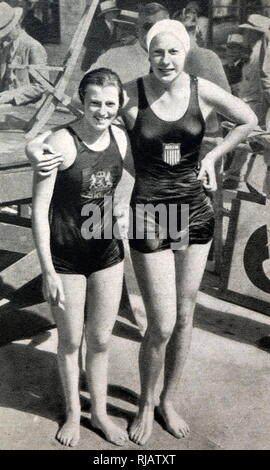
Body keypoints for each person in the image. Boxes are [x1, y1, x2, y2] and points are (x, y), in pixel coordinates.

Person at [26, 20, 257, 446]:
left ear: (184, 52)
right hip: (151, 214)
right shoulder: (130, 93)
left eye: (173, 52)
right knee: (162, 323)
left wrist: (213, 158)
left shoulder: (201, 89)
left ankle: (166, 400)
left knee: (186, 317)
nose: (165, 60)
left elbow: (247, 119)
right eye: (157, 52)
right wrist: (32, 147)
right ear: (147, 54)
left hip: (194, 212)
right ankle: (144, 404)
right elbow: (82, 119)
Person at [31, 68, 134, 447]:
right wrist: (47, 271)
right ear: (82, 102)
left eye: (110, 103)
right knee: (71, 340)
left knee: (102, 340)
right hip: (66, 256)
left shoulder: (121, 140)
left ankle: (101, 414)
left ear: (119, 104)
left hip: (107, 252)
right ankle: (74, 413)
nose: (102, 111)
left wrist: (121, 205)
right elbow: (39, 210)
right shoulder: (60, 142)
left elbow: (139, 175)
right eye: (95, 103)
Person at [0, 1, 48, 105]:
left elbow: (41, 86)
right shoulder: (6, 46)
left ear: (16, 25)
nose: (3, 37)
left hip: (25, 106)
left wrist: (12, 95)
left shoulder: (33, 47)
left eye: (6, 32)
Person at [81, 0, 120, 72]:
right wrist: (100, 50)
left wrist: (121, 41)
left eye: (116, 12)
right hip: (92, 59)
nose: (116, 14)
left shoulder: (115, 26)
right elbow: (86, 40)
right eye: (113, 12)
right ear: (106, 14)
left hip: (105, 60)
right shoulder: (96, 25)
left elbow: (110, 42)